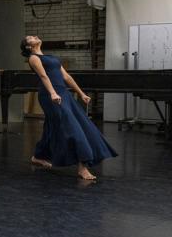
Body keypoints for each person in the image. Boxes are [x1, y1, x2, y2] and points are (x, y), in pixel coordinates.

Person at [22, 35, 117, 180]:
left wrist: (81, 93)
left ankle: (38, 156)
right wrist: (53, 93)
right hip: (50, 95)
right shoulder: (34, 58)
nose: (34, 36)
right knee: (72, 127)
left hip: (64, 94)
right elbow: (43, 76)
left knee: (54, 126)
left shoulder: (51, 58)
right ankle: (83, 167)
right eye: (30, 38)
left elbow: (67, 77)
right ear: (29, 46)